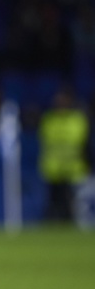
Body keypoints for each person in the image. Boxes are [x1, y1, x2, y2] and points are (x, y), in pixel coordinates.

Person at [38, 89, 90, 221]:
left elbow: (85, 144)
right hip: (53, 169)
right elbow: (44, 141)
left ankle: (73, 222)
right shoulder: (49, 119)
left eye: (63, 100)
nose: (60, 103)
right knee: (54, 203)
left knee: (73, 203)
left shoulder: (77, 120)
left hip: (73, 169)